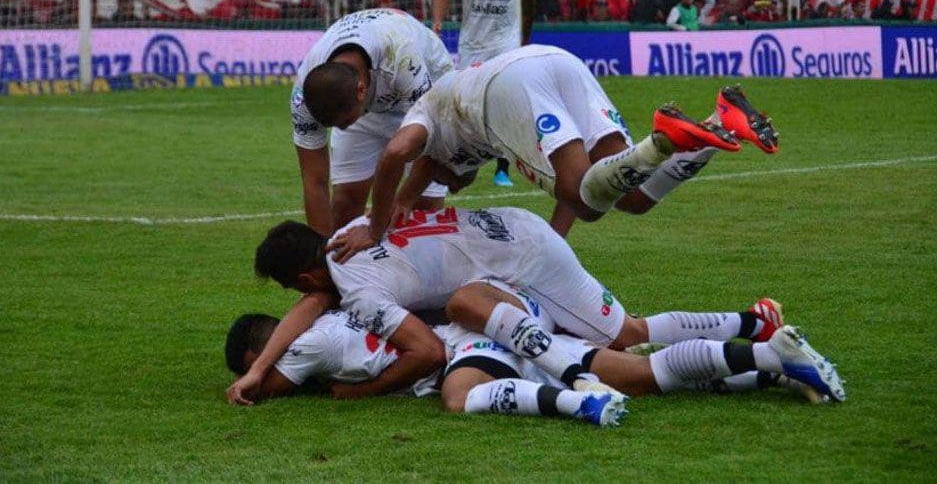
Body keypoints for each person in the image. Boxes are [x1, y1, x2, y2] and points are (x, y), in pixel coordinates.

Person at [230, 204, 792, 406]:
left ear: (307, 276)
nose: (302, 301)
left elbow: (424, 352)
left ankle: (576, 385)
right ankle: (753, 323)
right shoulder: (353, 230)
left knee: (623, 336)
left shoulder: (358, 289)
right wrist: (260, 367)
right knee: (620, 338)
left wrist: (361, 392)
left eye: (296, 289)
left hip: (523, 265)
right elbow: (313, 304)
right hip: (509, 230)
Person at [331, 46, 777, 241]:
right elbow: (569, 191)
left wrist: (376, 226)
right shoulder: (451, 153)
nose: (456, 189)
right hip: (557, 61)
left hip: (505, 90)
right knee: (632, 197)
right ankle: (721, 122)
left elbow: (395, 153)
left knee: (585, 197)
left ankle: (662, 139)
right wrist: (552, 246)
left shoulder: (426, 119)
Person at [224, 288, 846, 416]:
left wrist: (254, 378)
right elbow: (311, 299)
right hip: (517, 290)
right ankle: (766, 362)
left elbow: (427, 348)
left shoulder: (305, 343)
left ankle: (578, 403)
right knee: (632, 345)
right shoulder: (342, 291)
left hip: (480, 328)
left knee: (459, 396)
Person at [290, 8, 453, 237]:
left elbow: (429, 151)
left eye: (344, 122)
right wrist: (322, 260)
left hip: (429, 90)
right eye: (333, 126)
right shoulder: (304, 97)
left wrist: (397, 204)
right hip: (366, 102)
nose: (340, 129)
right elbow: (314, 180)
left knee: (422, 209)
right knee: (345, 204)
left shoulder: (401, 56)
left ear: (361, 91)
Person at [432, 0, 537, 189]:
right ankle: (459, 165)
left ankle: (503, 169)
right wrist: (437, 23)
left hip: (506, 42)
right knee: (463, 105)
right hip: (472, 44)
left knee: (505, 100)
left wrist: (524, 36)